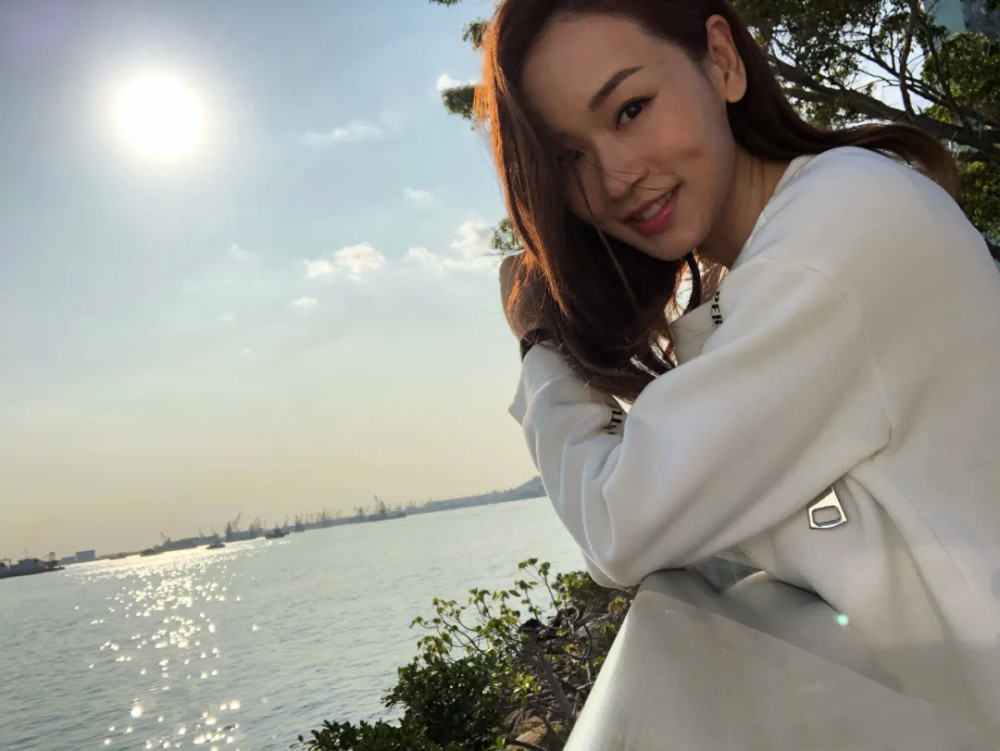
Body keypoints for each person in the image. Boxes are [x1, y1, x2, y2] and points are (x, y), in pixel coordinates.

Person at [475, 0, 1000, 733]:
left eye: (630, 109)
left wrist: (539, 346)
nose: (614, 177)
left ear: (721, 61)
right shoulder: (780, 250)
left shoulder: (829, 243)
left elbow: (618, 524)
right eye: (568, 159)